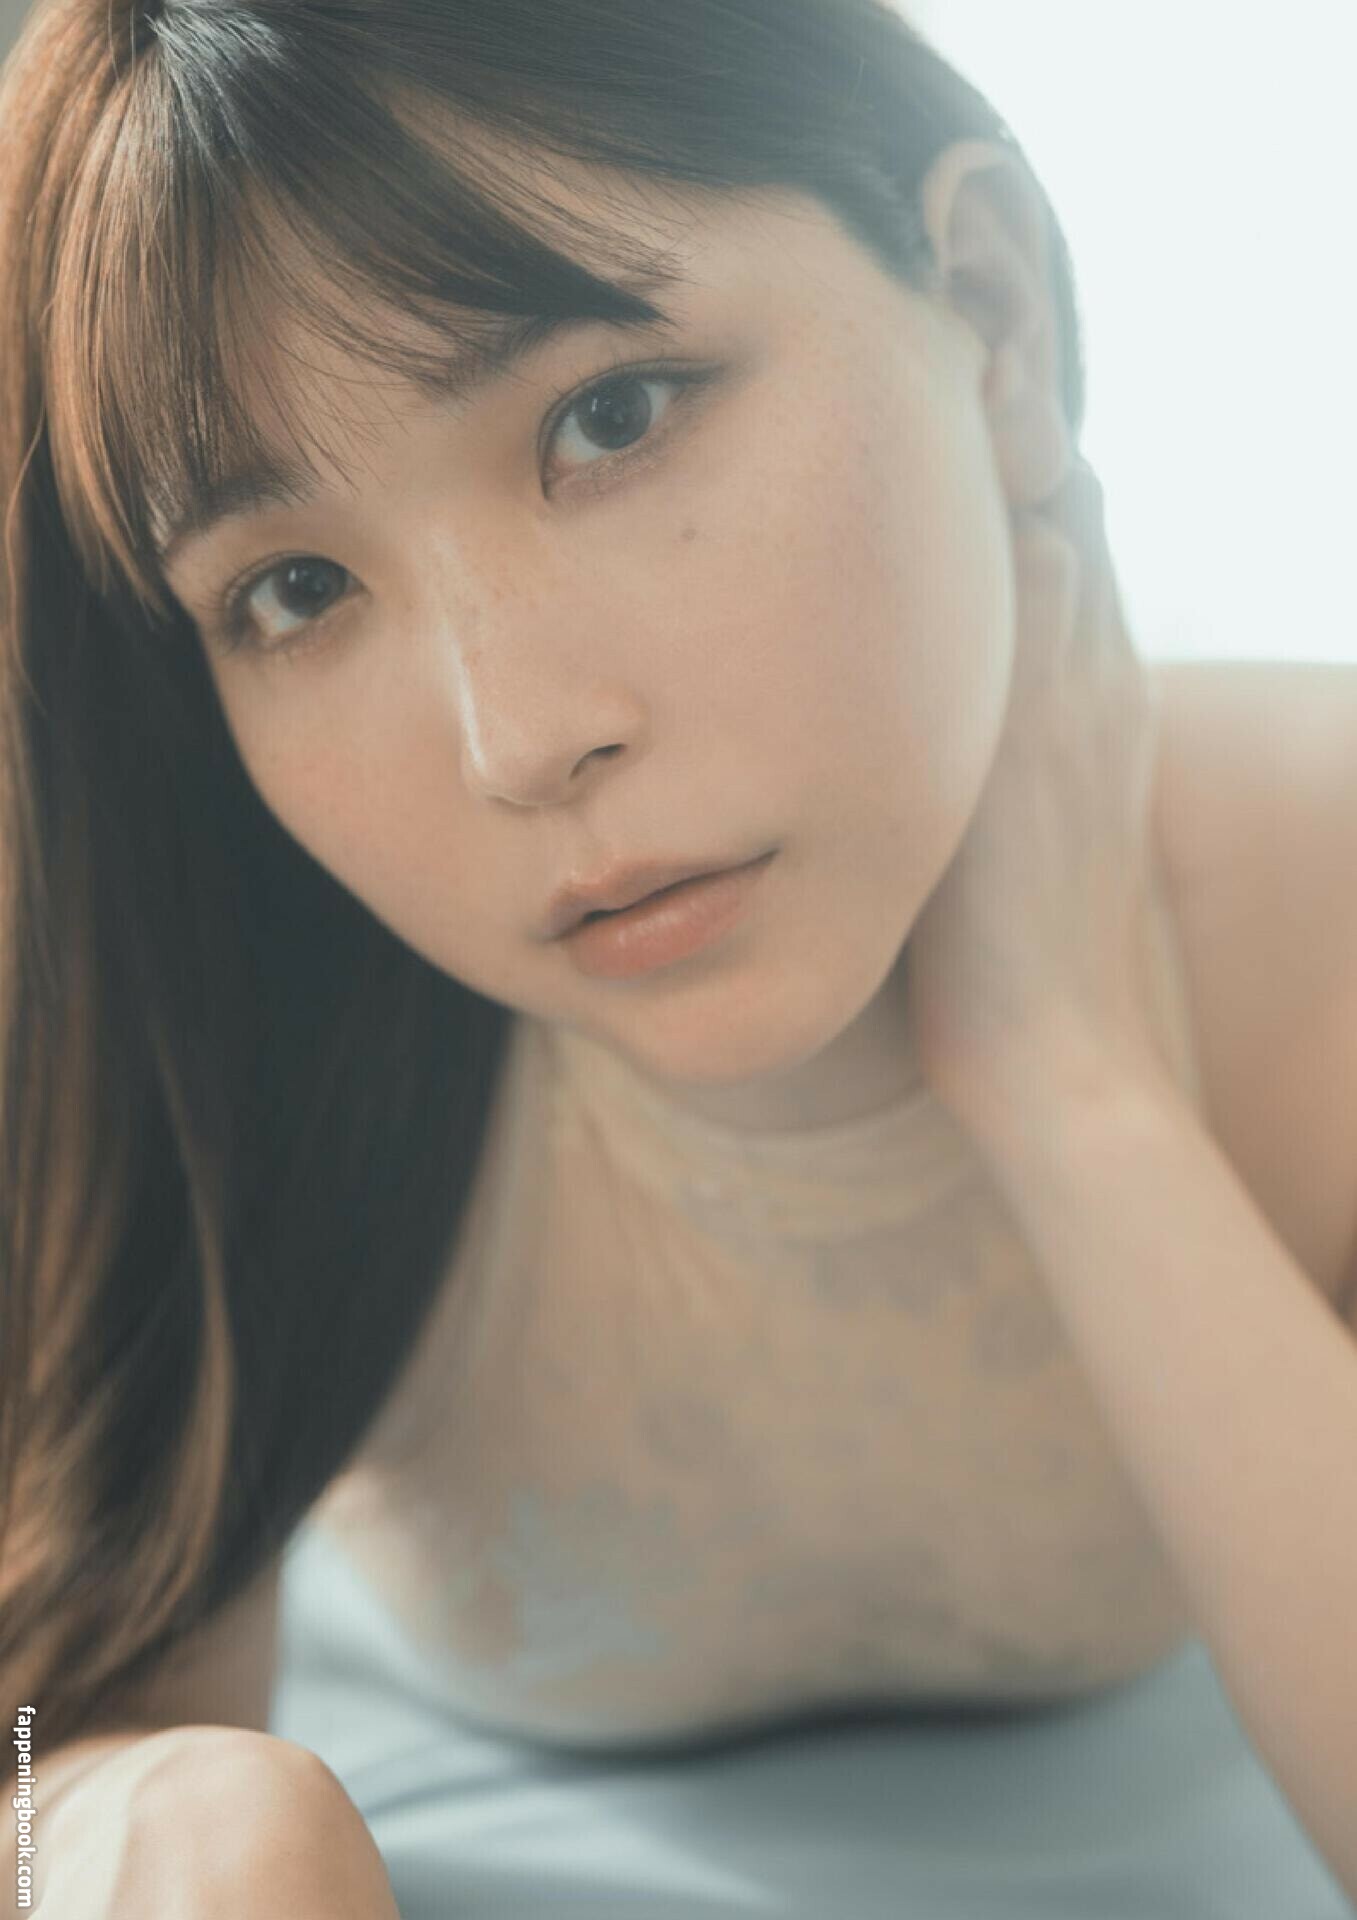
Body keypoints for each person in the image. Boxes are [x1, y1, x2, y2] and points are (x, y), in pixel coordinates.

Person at [2, 0, 1356, 1910]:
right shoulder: (233, 993)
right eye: (294, 590)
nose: (513, 739)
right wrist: (130, 1815)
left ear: (990, 310)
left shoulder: (1322, 876)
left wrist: (1076, 1081)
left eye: (609, 417)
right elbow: (36, 1723)